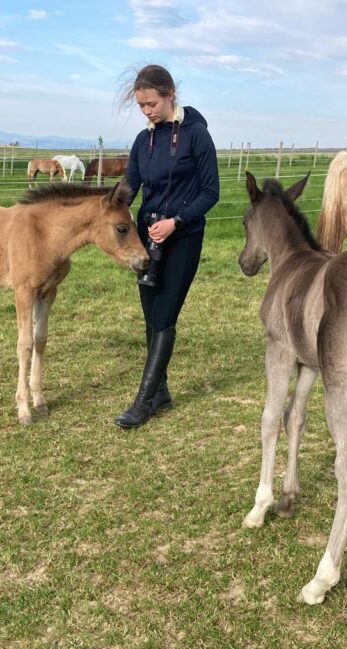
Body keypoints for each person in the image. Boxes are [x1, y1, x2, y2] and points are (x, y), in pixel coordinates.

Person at [114, 64, 219, 428]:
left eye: (152, 103)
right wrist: (103, 207)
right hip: (147, 241)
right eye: (141, 106)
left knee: (164, 318)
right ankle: (161, 393)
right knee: (150, 316)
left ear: (170, 95)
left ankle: (143, 402)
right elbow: (129, 188)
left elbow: (211, 192)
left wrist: (177, 221)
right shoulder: (143, 141)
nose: (147, 111)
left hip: (183, 238)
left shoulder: (196, 136)